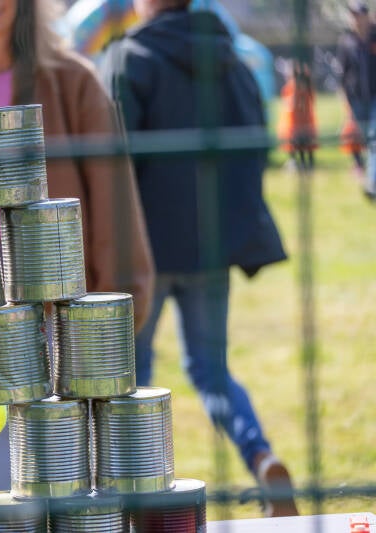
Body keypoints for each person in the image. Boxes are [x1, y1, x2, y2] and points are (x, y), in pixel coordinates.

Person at [0, 0, 155, 496]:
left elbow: (113, 201)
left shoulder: (74, 81)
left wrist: (113, 305)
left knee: (75, 486)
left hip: (66, 319)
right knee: (7, 494)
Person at [99, 0, 297, 517]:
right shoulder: (231, 57)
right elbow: (257, 143)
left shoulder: (128, 57)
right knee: (211, 370)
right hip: (211, 247)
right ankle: (261, 455)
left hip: (144, 251)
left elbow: (110, 159)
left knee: (130, 379)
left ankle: (134, 491)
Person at [337, 0, 376, 200]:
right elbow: (343, 75)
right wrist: (346, 101)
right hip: (356, 99)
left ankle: (372, 183)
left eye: (359, 14)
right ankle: (362, 168)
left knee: (374, 138)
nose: (356, 19)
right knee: (362, 138)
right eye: (353, 15)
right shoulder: (346, 41)